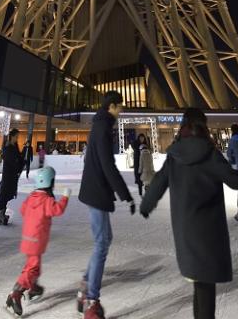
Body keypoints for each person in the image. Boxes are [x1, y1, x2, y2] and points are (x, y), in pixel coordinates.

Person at [140, 108, 238, 319]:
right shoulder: (209, 153)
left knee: (200, 284)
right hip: (208, 231)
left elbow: (159, 182)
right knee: (205, 286)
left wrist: (146, 205)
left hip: (185, 229)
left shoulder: (174, 154)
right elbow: (236, 181)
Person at [78, 91, 135, 319]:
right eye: (120, 106)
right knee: (102, 243)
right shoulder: (102, 127)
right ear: (112, 106)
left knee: (104, 240)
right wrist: (126, 195)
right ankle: (91, 300)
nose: (122, 110)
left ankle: (85, 284)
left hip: (95, 190)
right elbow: (107, 164)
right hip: (96, 191)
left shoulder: (101, 124)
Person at [6, 166, 71, 315]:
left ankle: (33, 288)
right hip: (37, 240)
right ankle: (16, 293)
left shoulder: (31, 198)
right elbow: (58, 209)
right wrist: (65, 197)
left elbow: (22, 210)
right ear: (50, 182)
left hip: (27, 239)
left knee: (32, 267)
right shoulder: (47, 200)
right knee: (33, 268)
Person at [0, 129, 23, 225]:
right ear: (12, 136)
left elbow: (19, 158)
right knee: (4, 194)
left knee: (8, 194)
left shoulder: (14, 146)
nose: (17, 139)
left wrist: (20, 165)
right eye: (16, 137)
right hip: (8, 174)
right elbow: (11, 161)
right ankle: (0, 215)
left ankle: (1, 214)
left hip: (12, 174)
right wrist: (17, 165)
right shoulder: (7, 147)